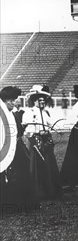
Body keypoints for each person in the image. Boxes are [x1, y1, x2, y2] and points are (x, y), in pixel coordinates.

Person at [0, 86, 39, 214]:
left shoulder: (14, 114)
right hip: (5, 148)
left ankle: (24, 203)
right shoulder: (2, 116)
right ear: (3, 102)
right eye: (9, 100)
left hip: (18, 148)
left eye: (14, 100)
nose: (12, 102)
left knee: (23, 173)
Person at [22, 85, 62, 200]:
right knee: (36, 165)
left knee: (49, 164)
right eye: (40, 100)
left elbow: (52, 125)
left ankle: (50, 190)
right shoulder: (29, 112)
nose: (42, 102)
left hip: (46, 142)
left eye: (43, 100)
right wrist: (38, 132)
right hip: (35, 142)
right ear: (34, 101)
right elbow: (28, 129)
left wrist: (48, 130)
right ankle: (38, 191)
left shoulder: (45, 113)